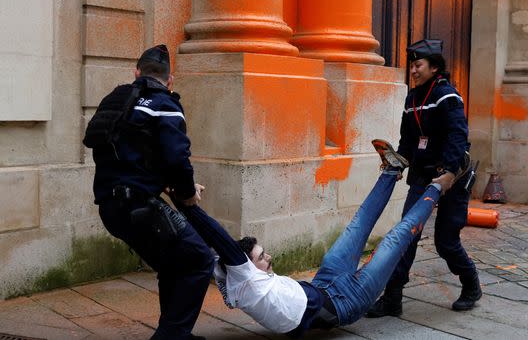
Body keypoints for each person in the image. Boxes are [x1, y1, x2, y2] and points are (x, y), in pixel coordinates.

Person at [173, 141, 442, 338]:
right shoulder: (245, 282)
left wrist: (176, 198)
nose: (269, 258)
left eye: (264, 253)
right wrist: (188, 204)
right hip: (348, 302)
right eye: (261, 258)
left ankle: (391, 171)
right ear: (245, 266)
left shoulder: (228, 273)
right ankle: (439, 186)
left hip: (325, 280)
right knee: (396, 239)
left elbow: (205, 243)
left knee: (358, 224)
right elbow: (217, 236)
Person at [84, 45, 213, 340]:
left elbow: (132, 154)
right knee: (199, 260)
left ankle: (174, 331)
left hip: (110, 207)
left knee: (172, 263)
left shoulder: (116, 101)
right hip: (140, 208)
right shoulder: (164, 104)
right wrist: (186, 192)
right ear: (170, 80)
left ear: (136, 73)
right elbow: (177, 159)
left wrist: (167, 183)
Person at [366, 39, 481, 317]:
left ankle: (471, 285)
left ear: (434, 67)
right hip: (422, 177)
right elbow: (408, 140)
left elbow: (457, 137)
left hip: (452, 176)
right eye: (412, 66)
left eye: (418, 65)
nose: (413, 71)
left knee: (445, 241)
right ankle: (393, 299)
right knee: (406, 236)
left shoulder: (447, 96)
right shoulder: (412, 99)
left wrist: (449, 174)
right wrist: (398, 164)